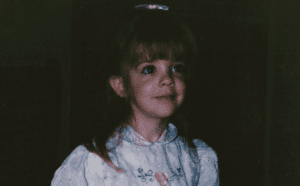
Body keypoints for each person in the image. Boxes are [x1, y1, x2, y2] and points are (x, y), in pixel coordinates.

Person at [51, 4, 219, 186]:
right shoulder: (93, 162)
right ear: (120, 85)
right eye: (149, 69)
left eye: (176, 68)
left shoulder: (197, 159)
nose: (168, 79)